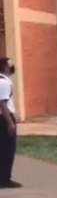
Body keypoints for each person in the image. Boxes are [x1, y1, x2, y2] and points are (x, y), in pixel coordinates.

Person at [0, 57, 20, 189]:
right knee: (7, 149)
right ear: (4, 67)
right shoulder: (3, 82)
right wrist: (10, 123)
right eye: (10, 64)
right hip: (4, 118)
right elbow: (3, 104)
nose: (12, 66)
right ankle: (5, 179)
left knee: (3, 148)